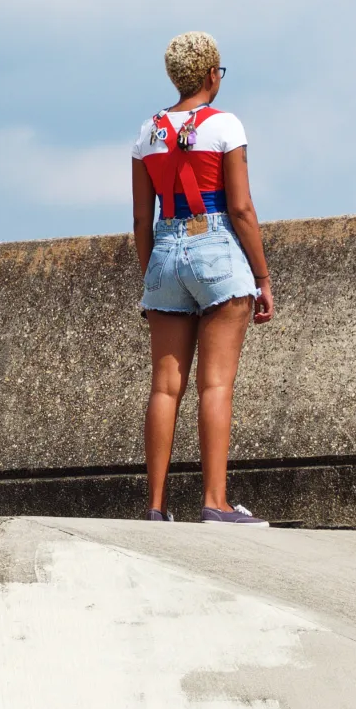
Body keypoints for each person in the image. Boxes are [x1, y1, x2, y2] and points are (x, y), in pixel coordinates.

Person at [130, 32, 275, 524]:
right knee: (215, 386)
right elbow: (241, 208)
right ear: (212, 74)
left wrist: (153, 276)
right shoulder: (224, 125)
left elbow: (140, 219)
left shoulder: (147, 132)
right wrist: (262, 278)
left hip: (164, 251)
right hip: (214, 249)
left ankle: (156, 507)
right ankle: (215, 502)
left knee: (164, 388)